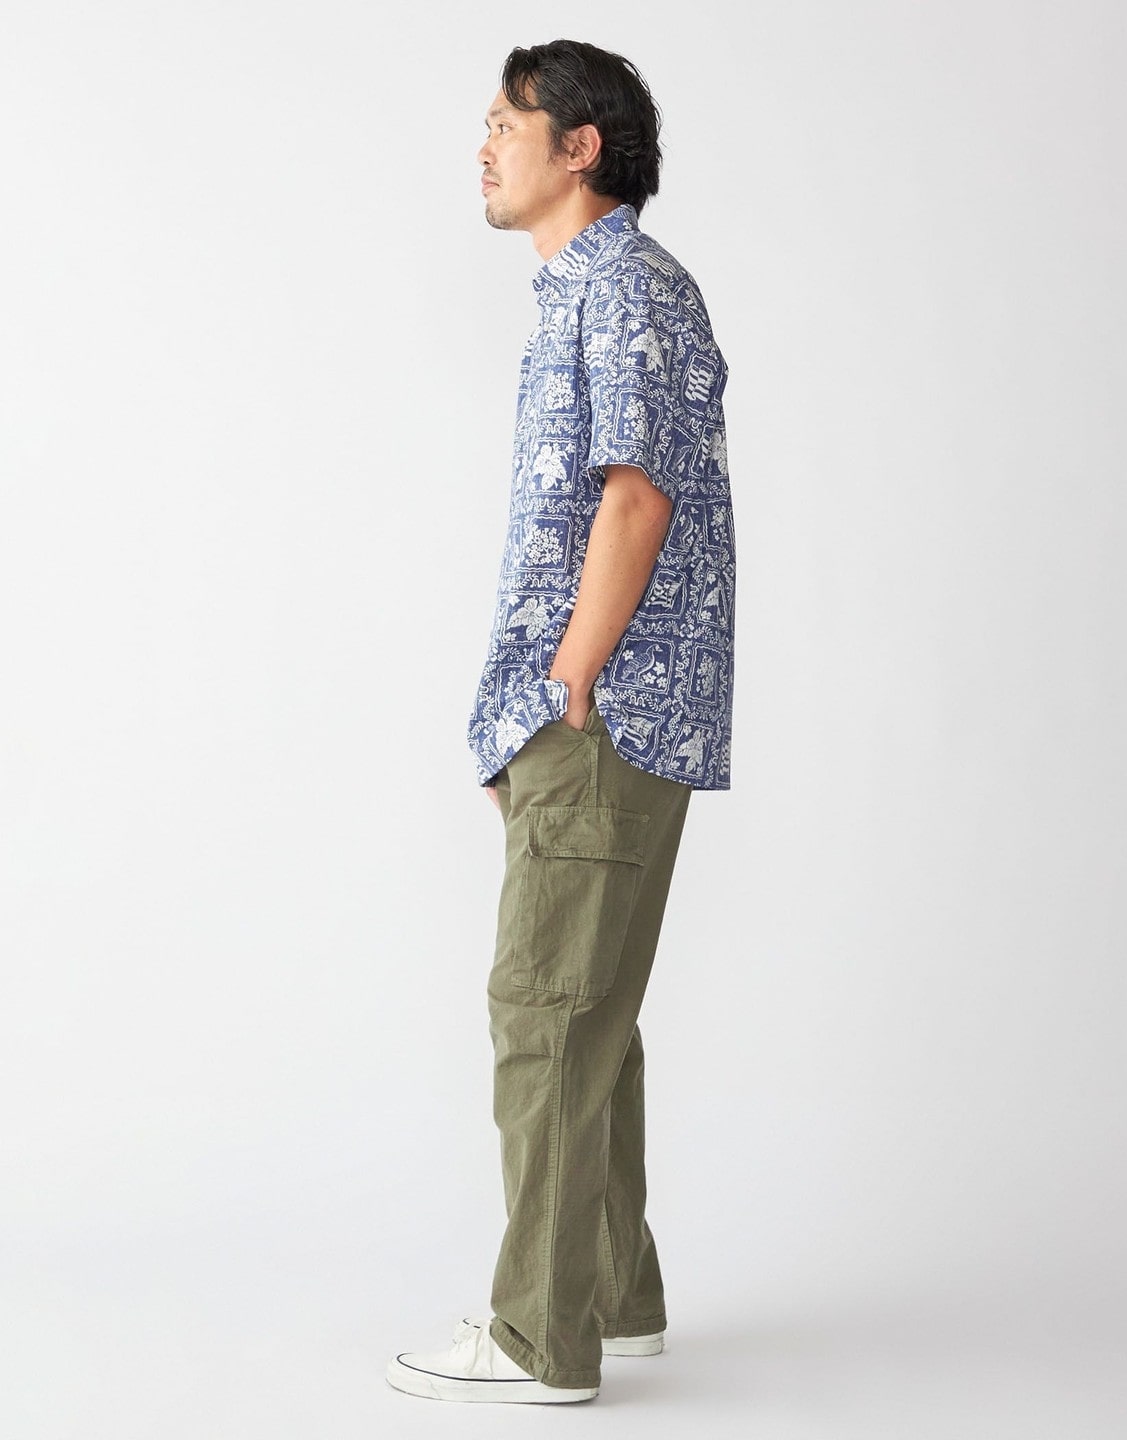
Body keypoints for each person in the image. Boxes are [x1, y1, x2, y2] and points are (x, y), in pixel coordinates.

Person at [387, 37, 736, 1405]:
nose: (483, 146)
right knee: (591, 1013)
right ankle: (613, 1297)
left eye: (505, 121)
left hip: (604, 715)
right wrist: (522, 712)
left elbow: (635, 493)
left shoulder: (625, 287)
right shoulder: (591, 292)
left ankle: (540, 1338)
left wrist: (568, 682)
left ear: (579, 144)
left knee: (546, 1012)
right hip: (581, 720)